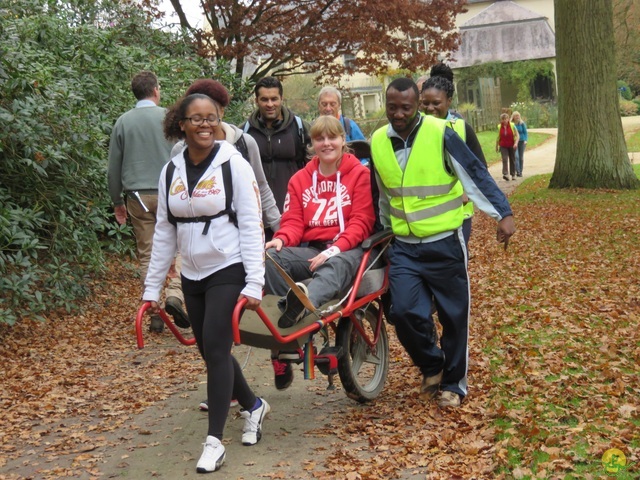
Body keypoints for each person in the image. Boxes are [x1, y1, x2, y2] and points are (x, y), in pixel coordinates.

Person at [142, 93, 270, 473]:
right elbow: (165, 232)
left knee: (215, 349)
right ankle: (253, 405)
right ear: (180, 123)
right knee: (211, 350)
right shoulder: (171, 171)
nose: (204, 125)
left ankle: (214, 441)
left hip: (228, 267)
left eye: (210, 118)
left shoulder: (235, 165)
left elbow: (251, 226)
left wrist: (254, 282)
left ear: (219, 121)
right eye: (195, 119)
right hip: (192, 272)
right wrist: (152, 290)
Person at [370, 78, 515, 409]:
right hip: (404, 246)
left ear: (417, 103)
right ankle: (432, 365)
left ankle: (453, 383)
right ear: (386, 104)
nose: (399, 114)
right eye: (392, 107)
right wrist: (381, 232)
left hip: (445, 242)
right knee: (403, 311)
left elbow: (475, 174)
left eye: (406, 107)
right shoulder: (378, 141)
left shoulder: (441, 133)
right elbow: (381, 193)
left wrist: (502, 213)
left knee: (453, 315)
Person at [264, 115, 375, 389]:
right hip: (313, 249)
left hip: (350, 249)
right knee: (272, 258)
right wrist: (281, 239)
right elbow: (292, 221)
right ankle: (287, 338)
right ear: (312, 143)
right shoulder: (300, 179)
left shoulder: (360, 175)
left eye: (332, 137)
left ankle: (301, 301)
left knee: (333, 266)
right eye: (319, 139)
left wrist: (336, 248)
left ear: (343, 140)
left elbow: (362, 221)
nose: (326, 143)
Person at [107, 71, 188, 333]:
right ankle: (175, 294)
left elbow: (113, 167)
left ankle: (155, 309)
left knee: (147, 254)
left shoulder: (122, 122)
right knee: (178, 247)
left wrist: (116, 200)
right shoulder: (170, 118)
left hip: (137, 196)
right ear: (155, 90)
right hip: (170, 190)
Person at [170, 79, 281, 233]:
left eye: (210, 111)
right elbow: (173, 200)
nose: (204, 121)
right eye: (197, 114)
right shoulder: (180, 151)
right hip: (194, 241)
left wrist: (280, 229)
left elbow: (260, 187)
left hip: (240, 236)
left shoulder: (244, 143)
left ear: (221, 111)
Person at [420, 69, 488, 248]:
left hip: (458, 214)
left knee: (454, 267)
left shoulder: (461, 128)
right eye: (425, 102)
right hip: (424, 217)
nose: (430, 108)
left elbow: (480, 168)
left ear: (448, 101)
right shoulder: (415, 130)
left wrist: (466, 192)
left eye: (436, 102)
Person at [241, 76, 310, 218]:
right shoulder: (244, 132)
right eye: (264, 99)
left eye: (274, 99)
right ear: (256, 101)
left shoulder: (300, 128)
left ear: (281, 99)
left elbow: (314, 167)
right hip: (257, 212)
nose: (270, 104)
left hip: (295, 210)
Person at [496, 112, 519, 181]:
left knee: (512, 159)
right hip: (503, 145)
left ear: (508, 119)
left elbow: (517, 135)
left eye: (506, 119)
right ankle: (505, 174)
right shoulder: (499, 126)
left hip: (512, 145)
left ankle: (513, 174)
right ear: (501, 120)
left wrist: (516, 143)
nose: (504, 120)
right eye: (503, 119)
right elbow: (498, 137)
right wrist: (496, 146)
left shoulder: (512, 125)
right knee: (504, 159)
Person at [511, 111, 528, 177]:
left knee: (521, 157)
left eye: (518, 115)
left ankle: (520, 171)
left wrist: (525, 140)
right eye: (516, 116)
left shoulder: (522, 124)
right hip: (515, 142)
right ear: (513, 117)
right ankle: (517, 171)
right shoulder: (511, 124)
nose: (517, 117)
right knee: (516, 156)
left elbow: (525, 132)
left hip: (522, 141)